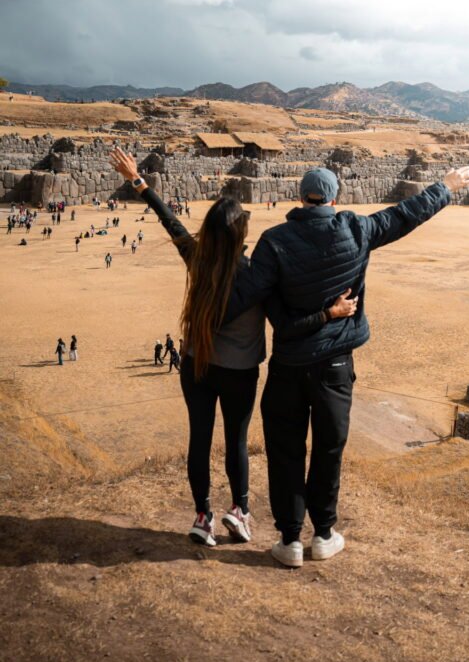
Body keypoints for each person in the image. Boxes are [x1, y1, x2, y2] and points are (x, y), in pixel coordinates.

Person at [222, 164, 469, 567]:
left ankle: (289, 540)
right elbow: (407, 214)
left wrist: (204, 314)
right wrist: (447, 185)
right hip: (335, 363)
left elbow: (244, 294)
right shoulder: (356, 229)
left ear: (301, 197)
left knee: (285, 450)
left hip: (289, 364)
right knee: (328, 448)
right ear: (335, 198)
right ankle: (323, 534)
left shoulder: (274, 242)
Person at [109, 147, 356, 549]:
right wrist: (330, 313)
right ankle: (239, 511)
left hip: (196, 364)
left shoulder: (196, 257)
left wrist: (137, 180)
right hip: (239, 371)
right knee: (235, 441)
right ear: (240, 233)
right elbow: (287, 317)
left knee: (199, 440)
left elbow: (167, 219)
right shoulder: (255, 274)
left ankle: (203, 515)